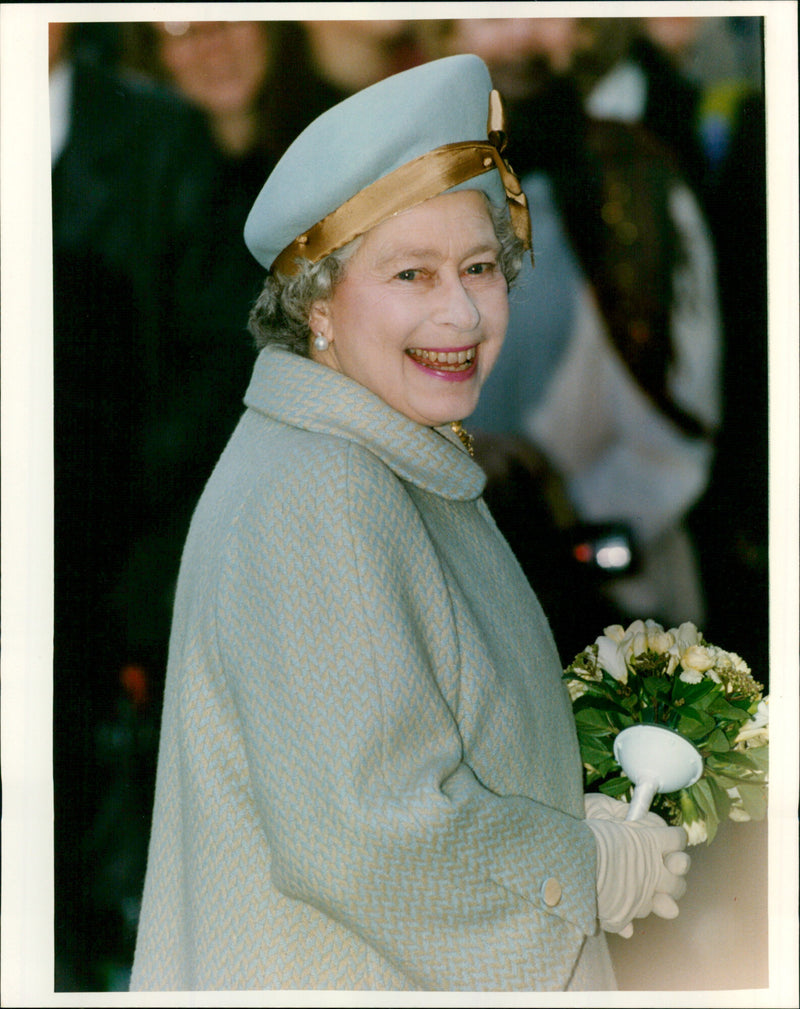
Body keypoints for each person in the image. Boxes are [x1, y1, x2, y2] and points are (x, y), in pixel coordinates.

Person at [130, 55, 690, 992]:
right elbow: (373, 836)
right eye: (411, 273)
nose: (461, 311)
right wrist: (584, 873)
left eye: (479, 266)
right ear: (316, 304)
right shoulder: (325, 492)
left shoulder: (363, 455)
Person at [432, 19, 722, 657]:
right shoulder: (405, 189)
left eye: (537, 9)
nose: (514, 35)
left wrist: (551, 529)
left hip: (624, 601)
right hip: (446, 595)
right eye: (485, 13)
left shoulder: (634, 176)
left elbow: (681, 421)